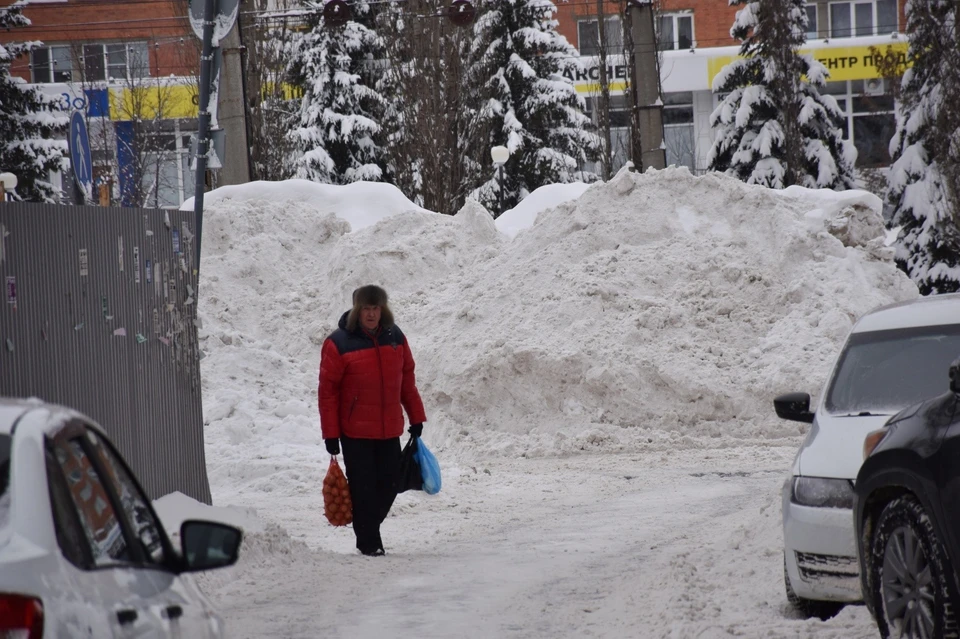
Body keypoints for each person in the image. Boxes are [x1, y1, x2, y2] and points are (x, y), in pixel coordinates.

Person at [318, 285, 426, 556]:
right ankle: (369, 542)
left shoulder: (396, 338)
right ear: (357, 310)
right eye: (366, 308)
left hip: (389, 427)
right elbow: (327, 392)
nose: (371, 314)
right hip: (355, 432)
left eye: (376, 308)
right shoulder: (338, 343)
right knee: (364, 487)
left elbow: (407, 381)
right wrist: (330, 434)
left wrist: (416, 416)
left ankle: (366, 526)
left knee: (390, 483)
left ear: (383, 309)